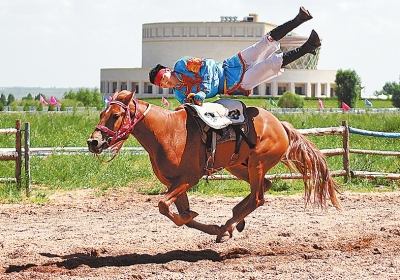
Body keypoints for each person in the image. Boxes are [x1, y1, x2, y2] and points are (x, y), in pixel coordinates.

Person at [149, 6, 320, 105]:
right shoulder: (180, 95)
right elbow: (193, 107)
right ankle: (309, 46)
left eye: (163, 78)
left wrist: (203, 90)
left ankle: (299, 18)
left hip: (230, 65)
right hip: (234, 83)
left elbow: (207, 64)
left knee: (263, 42)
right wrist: (198, 101)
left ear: (167, 70)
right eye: (162, 84)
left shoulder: (182, 65)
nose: (165, 83)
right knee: (270, 63)